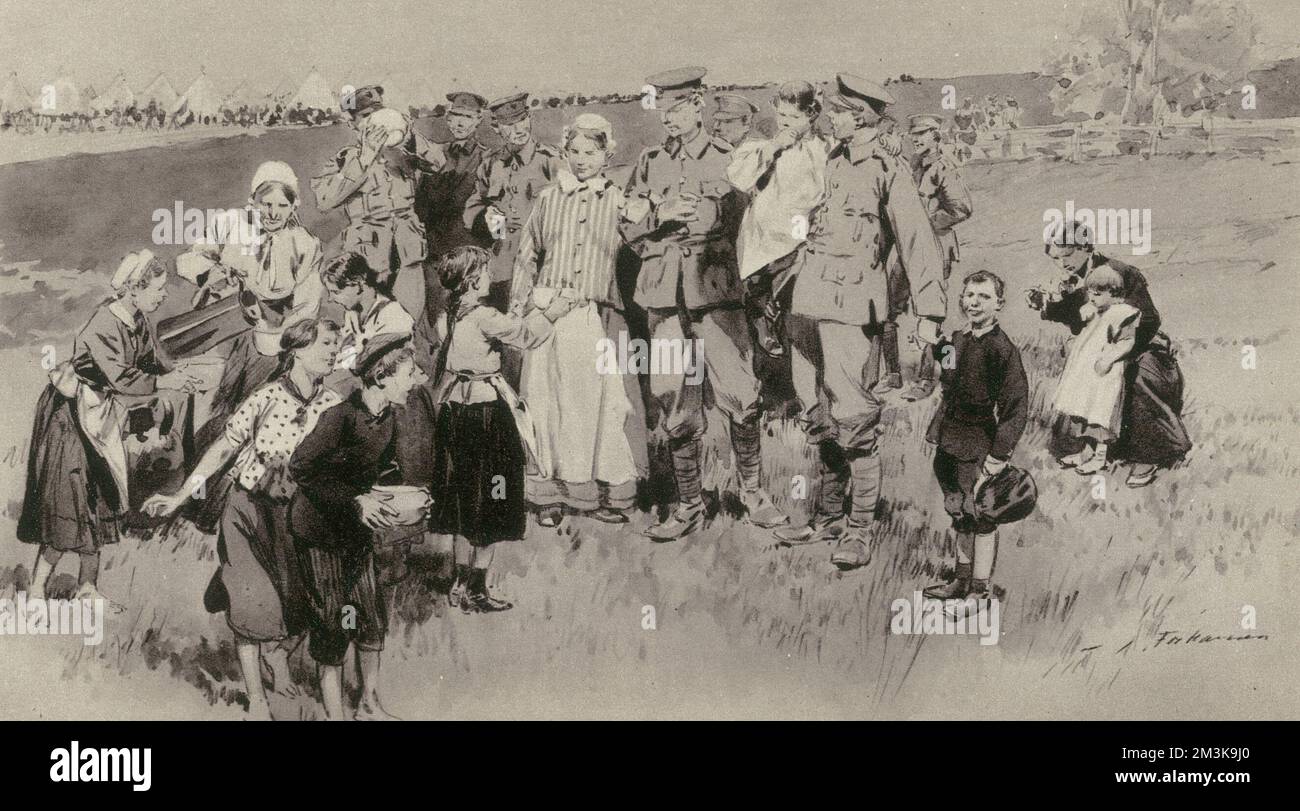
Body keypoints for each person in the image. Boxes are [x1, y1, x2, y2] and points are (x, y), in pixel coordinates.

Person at [772, 74, 947, 571]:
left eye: (840, 111)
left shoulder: (888, 168)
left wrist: (930, 313)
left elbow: (916, 241)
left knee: (853, 415)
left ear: (862, 116)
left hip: (852, 309)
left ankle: (860, 527)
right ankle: (829, 514)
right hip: (806, 303)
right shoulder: (830, 160)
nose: (831, 117)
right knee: (815, 410)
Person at [143, 318, 342, 720]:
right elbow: (221, 450)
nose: (333, 353)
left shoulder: (333, 405)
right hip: (247, 511)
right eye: (326, 345)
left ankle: (278, 657)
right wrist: (181, 495)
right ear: (298, 350)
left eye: (336, 347)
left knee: (299, 602)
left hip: (297, 518)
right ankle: (257, 699)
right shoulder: (265, 397)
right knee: (251, 604)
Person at [622, 66, 788, 540]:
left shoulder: (731, 159)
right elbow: (628, 225)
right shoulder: (650, 160)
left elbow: (753, 229)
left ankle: (753, 494)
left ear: (697, 105)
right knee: (674, 396)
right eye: (662, 110)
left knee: (740, 392)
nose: (668, 119)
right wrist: (658, 215)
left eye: (676, 108)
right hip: (664, 298)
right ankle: (689, 503)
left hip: (716, 295)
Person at [20, 251, 200, 607]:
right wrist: (167, 382)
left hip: (100, 417)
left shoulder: (137, 320)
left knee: (102, 499)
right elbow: (122, 377)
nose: (163, 295)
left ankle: (87, 587)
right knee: (69, 503)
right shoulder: (104, 322)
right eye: (157, 289)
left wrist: (179, 374)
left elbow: (153, 359)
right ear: (135, 289)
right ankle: (37, 589)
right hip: (70, 419)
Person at [510, 113, 645, 527]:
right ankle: (548, 495)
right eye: (575, 152)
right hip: (548, 312)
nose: (582, 160)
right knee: (545, 402)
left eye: (592, 152)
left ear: (607, 154)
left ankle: (601, 492)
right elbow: (528, 253)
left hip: (591, 313)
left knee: (594, 404)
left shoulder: (618, 200)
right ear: (564, 153)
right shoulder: (549, 199)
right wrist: (521, 307)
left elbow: (645, 234)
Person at [288, 332, 429, 720]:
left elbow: (377, 471)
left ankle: (369, 705)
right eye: (410, 372)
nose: (418, 378)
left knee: (369, 621)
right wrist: (355, 500)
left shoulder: (387, 418)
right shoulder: (339, 418)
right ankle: (335, 715)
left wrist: (396, 494)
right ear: (382, 376)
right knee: (333, 624)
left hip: (354, 533)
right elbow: (300, 469)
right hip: (319, 532)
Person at [429, 247, 576, 611]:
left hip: (455, 413)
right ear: (469, 280)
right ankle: (477, 588)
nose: (489, 278)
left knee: (465, 500)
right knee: (493, 497)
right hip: (485, 414)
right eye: (483, 272)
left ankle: (460, 580)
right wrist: (554, 310)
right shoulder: (483, 317)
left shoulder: (450, 315)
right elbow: (527, 335)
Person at [1029, 220, 1190, 486]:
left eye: (1068, 255)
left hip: (1142, 347)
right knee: (1085, 379)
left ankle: (1149, 456)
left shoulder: (1119, 272)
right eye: (1056, 258)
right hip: (1102, 349)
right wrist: (1047, 307)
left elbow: (1148, 319)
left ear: (1086, 247)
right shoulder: (1070, 279)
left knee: (1134, 376)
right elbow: (1079, 319)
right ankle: (1092, 450)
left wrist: (1117, 351)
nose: (1062, 264)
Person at [921, 271, 1028, 604]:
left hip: (978, 443)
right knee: (958, 512)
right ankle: (961, 579)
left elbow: (1015, 406)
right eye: (969, 295)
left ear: (999, 304)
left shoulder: (1002, 349)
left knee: (980, 516)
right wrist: (936, 344)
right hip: (948, 438)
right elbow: (949, 372)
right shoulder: (959, 338)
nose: (975, 303)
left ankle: (980, 590)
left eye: (984, 297)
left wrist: (998, 457)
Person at [311, 85, 448, 320]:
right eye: (365, 117)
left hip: (407, 250)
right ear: (351, 123)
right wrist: (363, 159)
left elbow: (438, 163)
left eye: (378, 114)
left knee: (409, 316)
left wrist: (410, 136)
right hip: (367, 255)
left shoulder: (401, 151)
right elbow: (324, 200)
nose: (374, 122)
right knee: (366, 320)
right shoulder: (345, 159)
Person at [725, 80, 834, 357]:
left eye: (794, 117)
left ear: (811, 114)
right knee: (761, 297)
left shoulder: (826, 149)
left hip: (802, 240)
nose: (786, 123)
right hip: (764, 241)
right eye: (781, 115)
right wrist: (774, 147)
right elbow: (738, 177)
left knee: (795, 313)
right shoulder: (763, 147)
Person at [890, 113, 973, 401]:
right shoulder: (910, 166)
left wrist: (926, 224)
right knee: (891, 306)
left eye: (923, 134)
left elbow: (961, 208)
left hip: (936, 248)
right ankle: (891, 373)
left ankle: (927, 379)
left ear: (937, 136)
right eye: (913, 134)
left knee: (930, 314)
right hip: (906, 248)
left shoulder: (943, 168)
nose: (916, 139)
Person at [413, 91, 492, 368]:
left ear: (478, 121)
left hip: (467, 255)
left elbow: (483, 207)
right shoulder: (434, 155)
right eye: (455, 116)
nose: (460, 123)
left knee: (469, 326)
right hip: (434, 255)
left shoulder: (486, 159)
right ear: (448, 118)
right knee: (437, 323)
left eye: (467, 117)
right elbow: (420, 206)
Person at [1049, 264, 1141, 476]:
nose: (1092, 297)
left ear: (1114, 293)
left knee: (1099, 414)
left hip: (1104, 373)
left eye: (1098, 294)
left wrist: (1108, 359)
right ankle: (1085, 452)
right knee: (1083, 411)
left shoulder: (1122, 313)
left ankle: (1100, 458)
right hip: (1085, 372)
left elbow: (1127, 342)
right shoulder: (1097, 310)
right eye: (1090, 292)